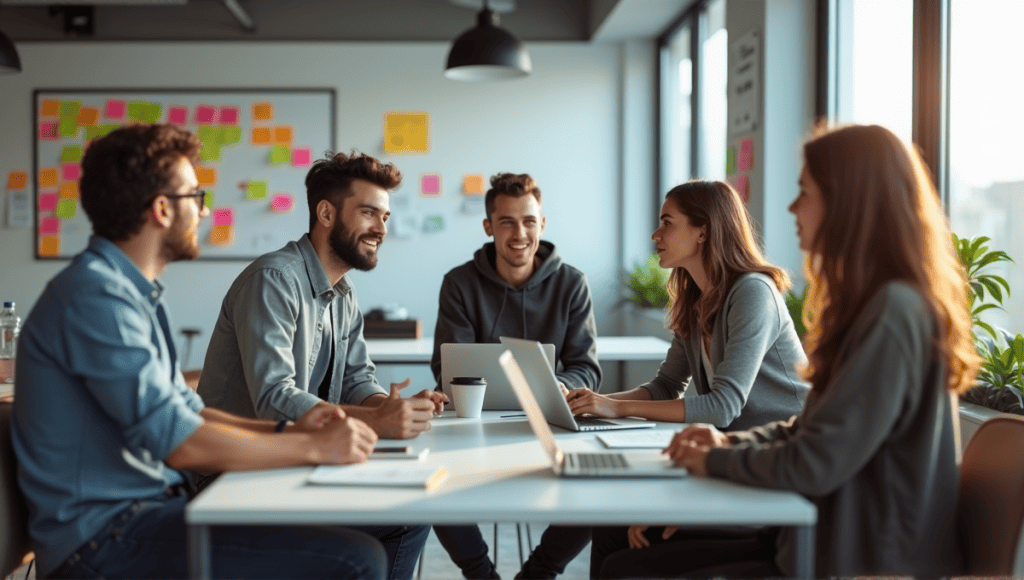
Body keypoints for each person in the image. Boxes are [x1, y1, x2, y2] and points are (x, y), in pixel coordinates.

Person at [592, 124, 981, 578]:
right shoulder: (874, 305)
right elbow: (808, 431)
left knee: (628, 567)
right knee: (622, 556)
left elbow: (816, 459)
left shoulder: (893, 311)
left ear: (847, 201)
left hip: (861, 556)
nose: (792, 206)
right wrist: (727, 443)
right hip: (817, 528)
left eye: (804, 192)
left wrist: (715, 459)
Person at [11, 123, 387, 580]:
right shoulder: (95, 297)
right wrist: (311, 446)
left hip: (149, 513)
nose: (205, 213)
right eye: (197, 197)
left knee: (372, 533)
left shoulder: (134, 294)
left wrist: (289, 427)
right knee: (355, 559)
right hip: (103, 540)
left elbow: (193, 411)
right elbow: (182, 443)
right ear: (162, 209)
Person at [197, 150, 435, 580]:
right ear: (326, 213)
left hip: (294, 461)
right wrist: (379, 420)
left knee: (411, 514)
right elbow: (274, 398)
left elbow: (357, 378)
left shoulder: (343, 293)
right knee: (390, 531)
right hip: (234, 476)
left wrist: (390, 406)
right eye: (368, 213)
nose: (382, 228)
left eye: (384, 216)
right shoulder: (274, 280)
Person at [430, 173, 601, 580]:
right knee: (431, 483)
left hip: (549, 419)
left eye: (528, 221)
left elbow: (586, 368)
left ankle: (539, 573)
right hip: (475, 423)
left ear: (542, 224)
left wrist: (563, 386)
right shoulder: (459, 283)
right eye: (506, 221)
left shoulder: (572, 283)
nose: (519, 232)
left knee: (598, 487)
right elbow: (448, 367)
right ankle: (480, 574)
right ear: (488, 227)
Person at [566, 180, 809, 429]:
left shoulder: (754, 292)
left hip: (792, 446)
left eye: (667, 223)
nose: (655, 234)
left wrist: (616, 408)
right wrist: (592, 402)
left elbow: (723, 407)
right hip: (740, 446)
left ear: (703, 232)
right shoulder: (696, 299)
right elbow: (666, 386)